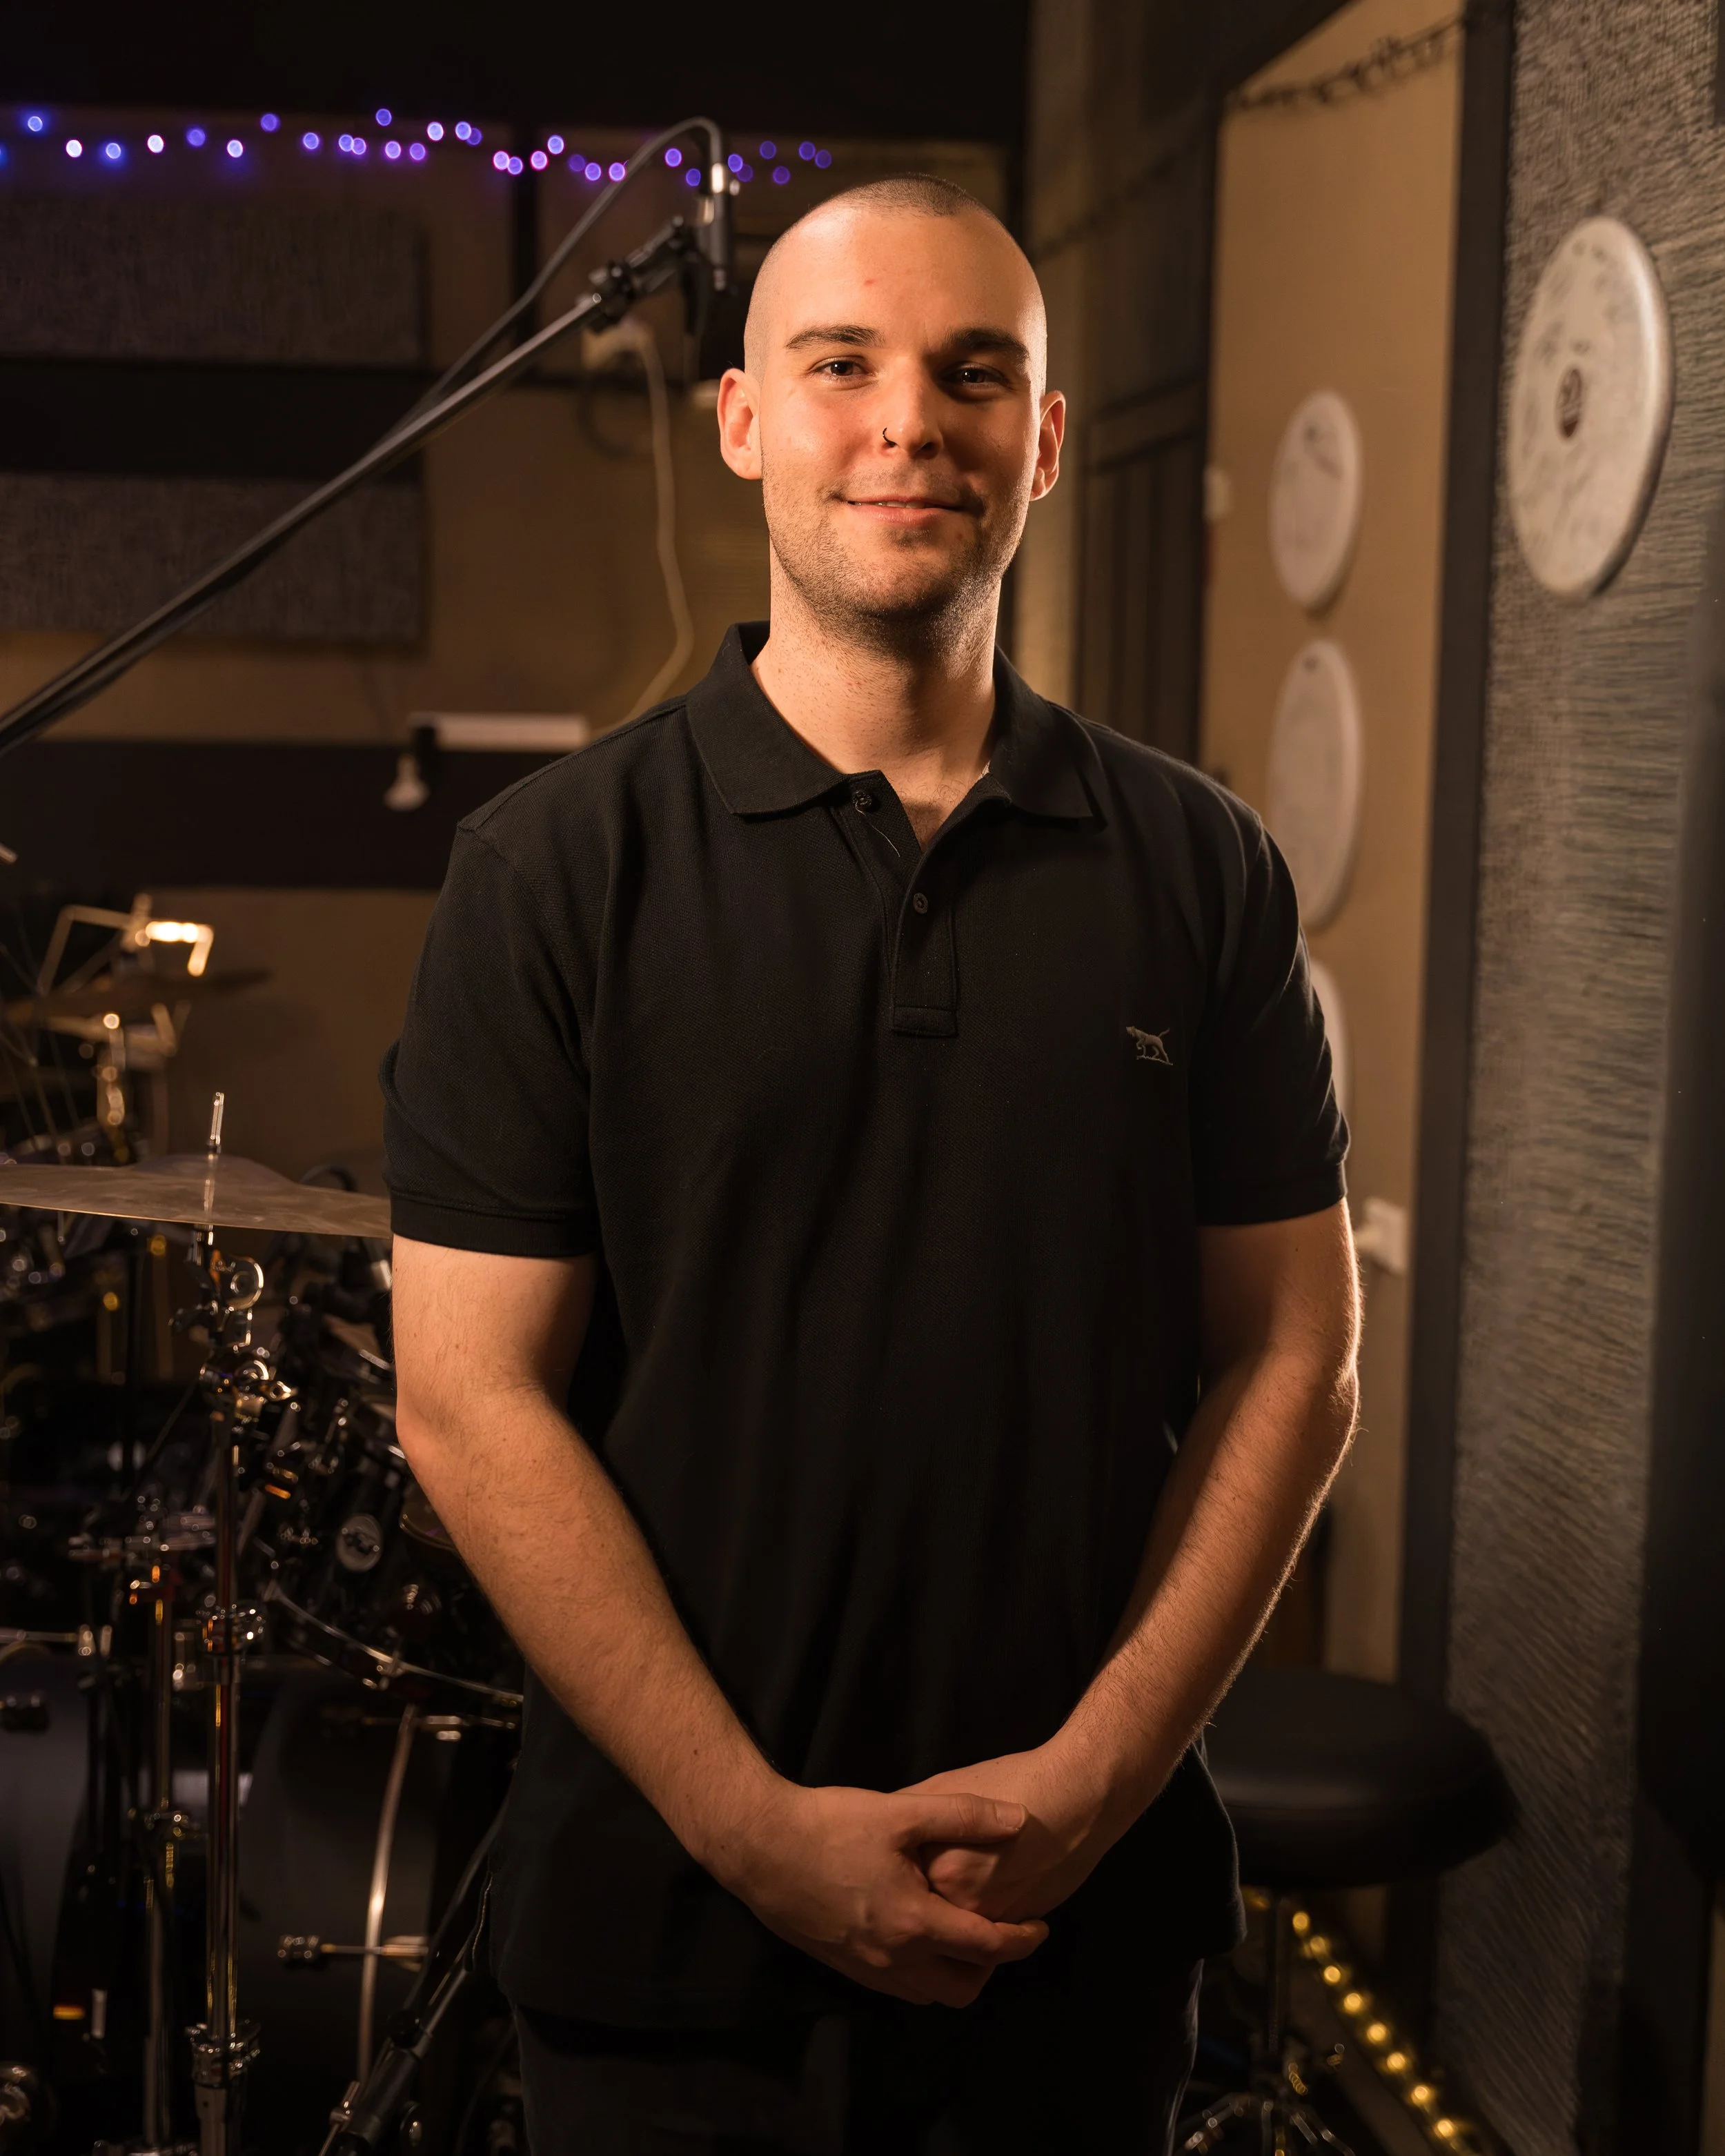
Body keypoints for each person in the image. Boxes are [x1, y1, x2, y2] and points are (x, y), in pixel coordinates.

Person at [382, 173, 1359, 2155]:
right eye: (842, 364)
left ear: (1044, 442)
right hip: (666, 1938)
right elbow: (467, 1399)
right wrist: (756, 1828)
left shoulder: (1205, 872)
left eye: (972, 374)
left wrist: (1089, 1786)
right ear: (743, 420)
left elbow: (1294, 1356)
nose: (909, 420)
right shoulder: (552, 871)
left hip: (1068, 1933)